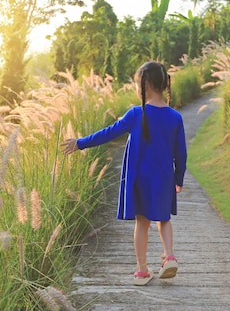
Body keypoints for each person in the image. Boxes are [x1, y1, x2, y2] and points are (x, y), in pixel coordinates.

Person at [61, 61, 187, 286]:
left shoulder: (136, 114)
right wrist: (178, 178)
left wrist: (80, 143)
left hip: (140, 179)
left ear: (145, 85)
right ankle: (169, 255)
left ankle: (142, 270)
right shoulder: (175, 117)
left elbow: (109, 133)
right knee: (164, 218)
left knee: (142, 222)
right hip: (164, 178)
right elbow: (181, 153)